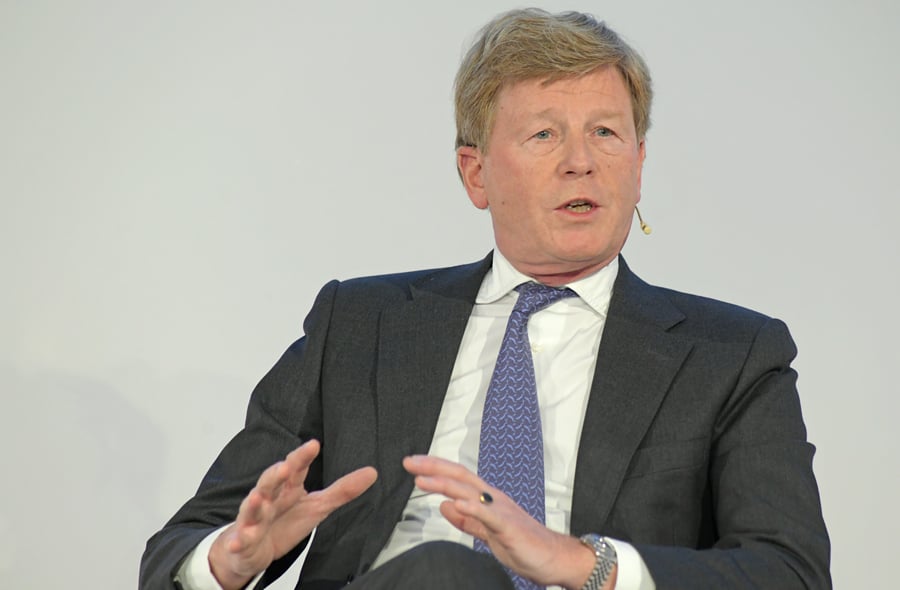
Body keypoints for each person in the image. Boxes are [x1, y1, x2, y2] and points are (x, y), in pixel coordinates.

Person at [140, 8, 831, 590]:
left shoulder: (731, 354)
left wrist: (583, 563)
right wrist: (230, 560)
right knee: (443, 572)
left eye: (605, 132)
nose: (581, 162)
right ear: (475, 174)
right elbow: (178, 549)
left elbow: (791, 571)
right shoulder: (361, 326)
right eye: (544, 135)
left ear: (639, 164)